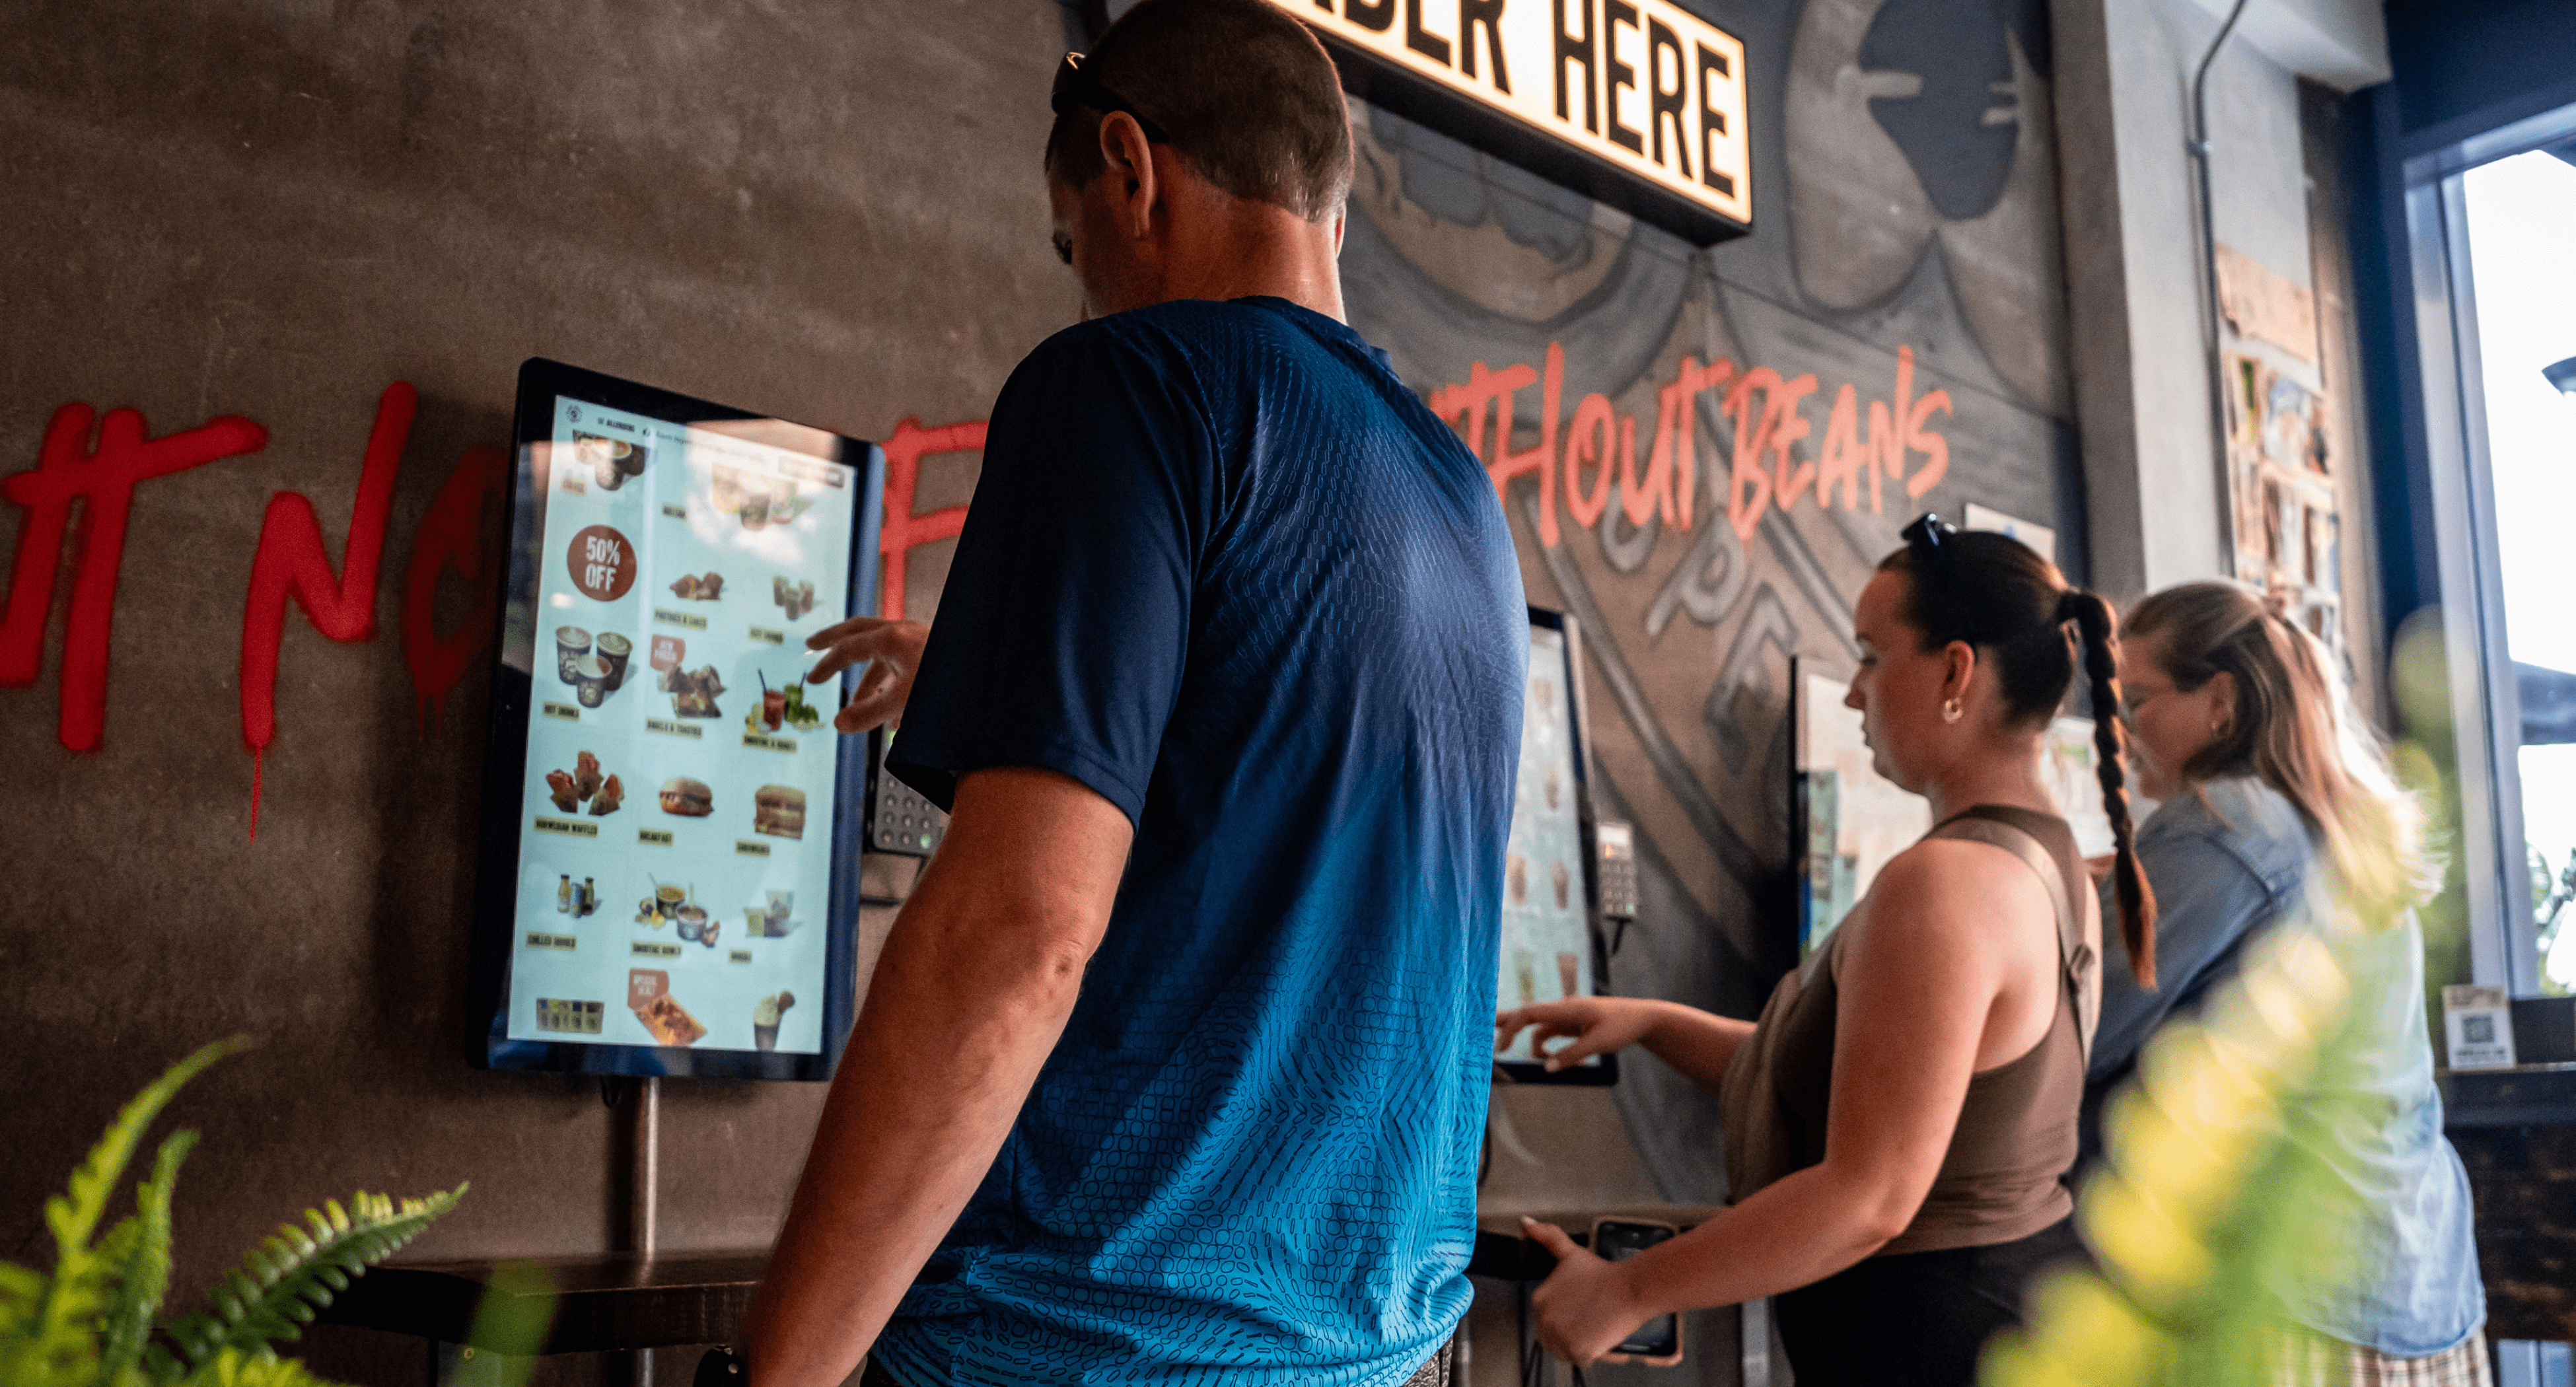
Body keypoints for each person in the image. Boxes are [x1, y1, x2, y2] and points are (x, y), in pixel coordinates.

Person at [740, 3, 1528, 1384]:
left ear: (1131, 170)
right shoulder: (1461, 503)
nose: (1082, 280)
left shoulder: (1127, 386)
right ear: (1330, 222)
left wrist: (780, 1375)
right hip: (1372, 1346)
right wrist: (1011, 680)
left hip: (1081, 1338)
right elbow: (1284, 765)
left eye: (1070, 244)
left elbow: (1022, 930)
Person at [1495, 516, 2147, 1384]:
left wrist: (1627, 1291)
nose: (1854, 691)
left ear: (1955, 671)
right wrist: (1654, 1022)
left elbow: (1871, 1196)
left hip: (1927, 1344)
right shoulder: (2050, 862)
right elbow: (1888, 1088)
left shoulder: (1946, 883)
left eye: (1873, 656)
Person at [2085, 581, 2487, 1382]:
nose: (2121, 734)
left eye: (2137, 701)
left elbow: (2078, 1028)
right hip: (2425, 1288)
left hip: (2307, 1303)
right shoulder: (2339, 820)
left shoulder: (2223, 823)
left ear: (2221, 702)